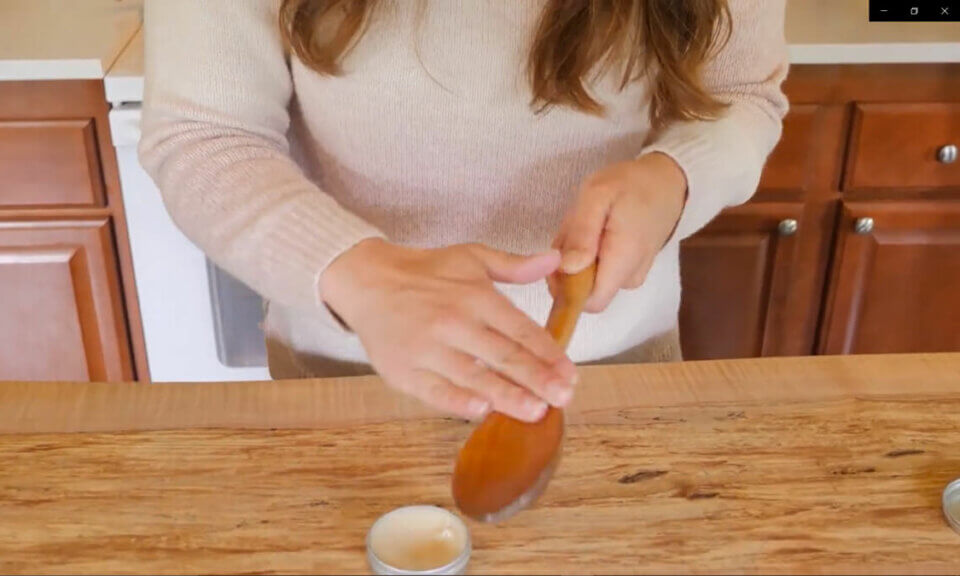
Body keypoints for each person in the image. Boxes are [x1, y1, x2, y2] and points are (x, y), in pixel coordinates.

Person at [140, 0, 788, 423]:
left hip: (616, 367)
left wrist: (673, 175)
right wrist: (360, 276)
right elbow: (204, 135)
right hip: (346, 368)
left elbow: (743, 96)